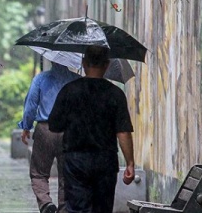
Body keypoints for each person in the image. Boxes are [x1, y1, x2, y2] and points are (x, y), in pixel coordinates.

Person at [48, 46, 135, 213]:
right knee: (102, 208)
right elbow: (123, 132)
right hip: (106, 160)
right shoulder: (115, 93)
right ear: (107, 65)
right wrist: (130, 162)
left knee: (77, 208)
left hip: (75, 160)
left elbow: (54, 125)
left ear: (83, 63)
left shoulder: (69, 91)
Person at [18, 62, 81, 213]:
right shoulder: (77, 80)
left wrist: (26, 127)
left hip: (46, 129)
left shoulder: (40, 79)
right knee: (67, 174)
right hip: (69, 130)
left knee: (38, 173)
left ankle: (46, 203)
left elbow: (30, 106)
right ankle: (64, 209)